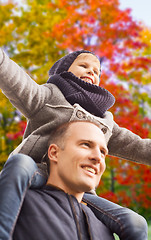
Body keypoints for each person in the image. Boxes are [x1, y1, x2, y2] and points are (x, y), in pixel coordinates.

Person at [0, 48, 149, 240]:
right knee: (19, 164)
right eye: (84, 65)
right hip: (38, 171)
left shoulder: (105, 123)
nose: (91, 72)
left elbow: (138, 146)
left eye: (97, 71)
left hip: (82, 190)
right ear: (64, 71)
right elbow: (15, 79)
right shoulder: (48, 97)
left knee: (136, 222)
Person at [13, 120, 115, 239]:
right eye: (86, 144)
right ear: (54, 153)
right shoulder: (19, 204)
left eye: (103, 152)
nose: (98, 157)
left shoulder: (106, 229)